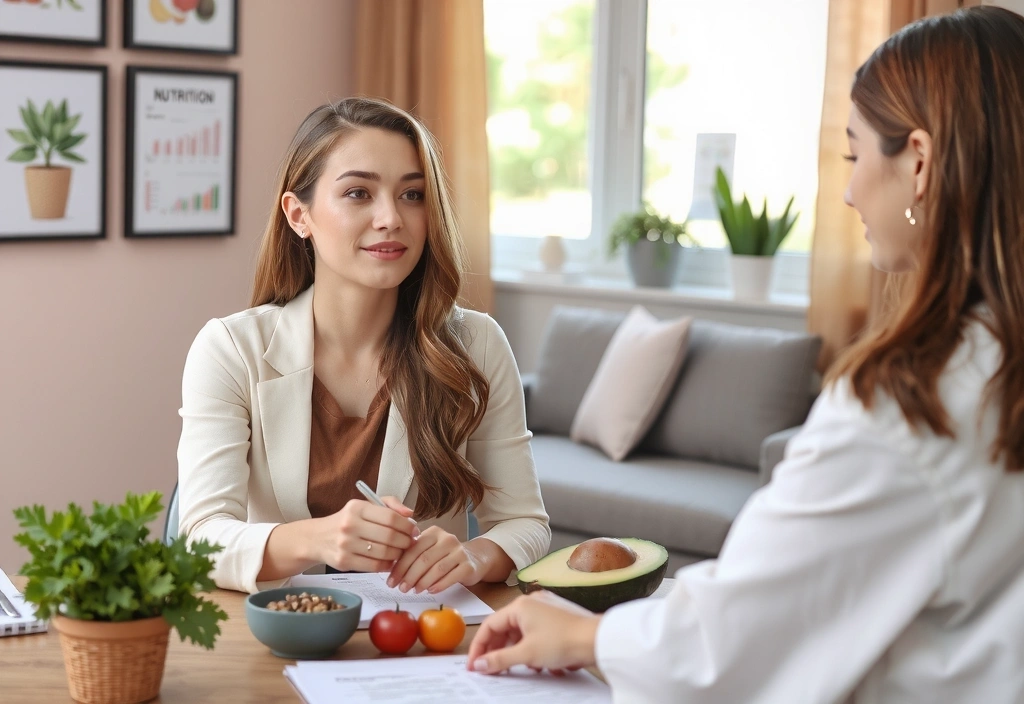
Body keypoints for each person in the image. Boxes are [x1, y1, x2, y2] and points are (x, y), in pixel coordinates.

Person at [468, 7, 1024, 702]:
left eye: (854, 156)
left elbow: (738, 635)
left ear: (918, 161)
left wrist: (585, 635)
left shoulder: (910, 398)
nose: (849, 192)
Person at [177, 97, 550, 594]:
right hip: (274, 637)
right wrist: (318, 539)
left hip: (418, 644)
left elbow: (525, 524)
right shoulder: (230, 350)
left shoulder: (477, 344)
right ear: (298, 215)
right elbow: (199, 541)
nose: (391, 218)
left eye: (413, 195)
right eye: (358, 192)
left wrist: (471, 556)